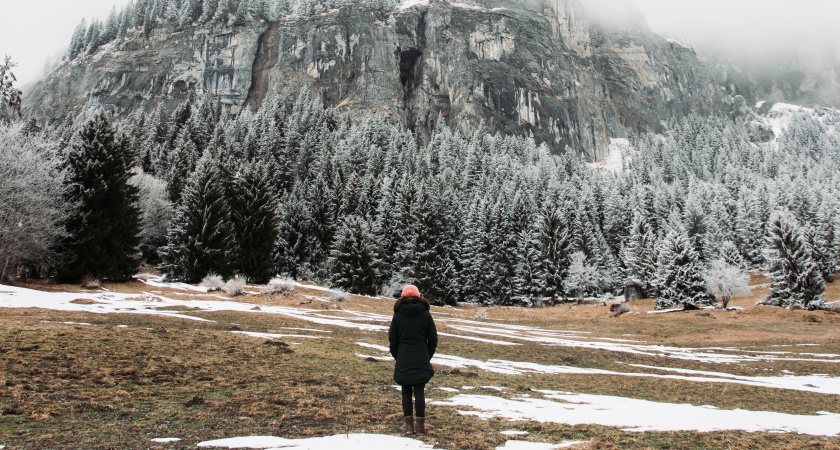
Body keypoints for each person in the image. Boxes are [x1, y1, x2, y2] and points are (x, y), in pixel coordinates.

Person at [388, 284, 438, 435]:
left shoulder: (398, 314)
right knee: (419, 389)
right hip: (421, 355)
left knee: (405, 391)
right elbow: (433, 338)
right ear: (418, 296)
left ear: (403, 297)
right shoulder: (425, 314)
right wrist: (426, 355)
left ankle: (409, 428)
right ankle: (421, 428)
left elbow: (393, 339)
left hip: (403, 355)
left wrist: (398, 356)